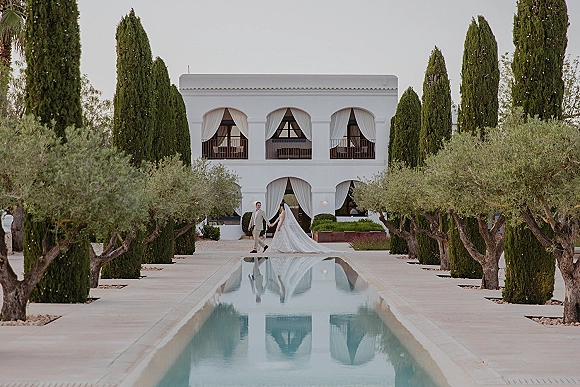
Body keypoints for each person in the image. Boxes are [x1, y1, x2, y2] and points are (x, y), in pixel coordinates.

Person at [268, 202, 334, 253]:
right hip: (280, 226)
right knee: (280, 237)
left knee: (285, 236)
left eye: (281, 206)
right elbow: (278, 218)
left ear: (282, 207)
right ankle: (279, 247)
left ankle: (285, 248)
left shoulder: (284, 212)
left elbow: (282, 220)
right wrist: (273, 224)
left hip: (283, 226)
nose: (280, 208)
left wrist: (279, 226)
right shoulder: (282, 212)